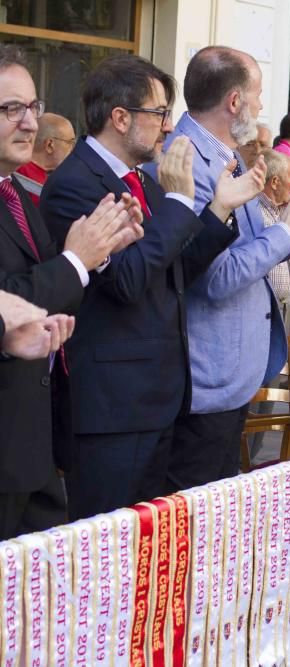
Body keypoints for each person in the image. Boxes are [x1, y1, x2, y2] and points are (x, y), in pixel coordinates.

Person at [40, 54, 266, 519]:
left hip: (161, 398)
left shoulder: (147, 178)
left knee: (157, 549)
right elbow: (127, 280)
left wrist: (217, 209)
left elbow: (177, 269)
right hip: (113, 408)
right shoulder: (74, 184)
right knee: (111, 551)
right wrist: (184, 202)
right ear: (121, 118)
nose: (169, 127)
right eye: (160, 113)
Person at [157, 45, 290, 490]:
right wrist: (288, 232)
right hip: (208, 379)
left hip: (231, 377)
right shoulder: (187, 160)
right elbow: (215, 277)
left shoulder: (223, 152)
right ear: (235, 102)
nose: (262, 105)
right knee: (196, 523)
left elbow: (252, 246)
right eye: (258, 94)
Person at [0, 44, 140, 539]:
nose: (30, 123)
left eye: (33, 107)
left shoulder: (14, 190)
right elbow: (9, 299)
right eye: (11, 109)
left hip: (34, 444)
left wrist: (98, 250)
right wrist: (76, 259)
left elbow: (50, 292)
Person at [257, 148, 290, 325]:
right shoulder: (256, 211)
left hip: (281, 305)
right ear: (275, 182)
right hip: (263, 308)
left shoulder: (282, 209)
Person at [13, 112, 75, 204]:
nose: (73, 149)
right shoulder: (20, 175)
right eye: (70, 142)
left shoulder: (18, 168)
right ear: (50, 145)